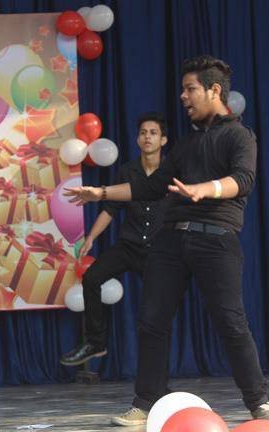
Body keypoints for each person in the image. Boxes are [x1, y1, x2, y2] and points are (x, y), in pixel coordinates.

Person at [64, 55, 269, 426]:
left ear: (214, 90)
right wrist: (100, 193)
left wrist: (204, 189)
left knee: (231, 323)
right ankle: (144, 403)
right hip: (170, 242)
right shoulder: (185, 145)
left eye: (190, 89)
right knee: (152, 322)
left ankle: (259, 402)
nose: (183, 96)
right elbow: (150, 186)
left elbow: (242, 180)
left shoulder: (240, 136)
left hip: (216, 239)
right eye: (183, 89)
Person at [60, 112, 168, 367]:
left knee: (157, 306)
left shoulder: (171, 172)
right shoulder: (127, 171)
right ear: (137, 139)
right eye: (143, 133)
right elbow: (110, 209)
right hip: (128, 245)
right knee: (91, 278)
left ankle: (156, 366)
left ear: (163, 140)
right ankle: (96, 343)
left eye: (153, 133)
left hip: (157, 250)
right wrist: (91, 238)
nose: (147, 137)